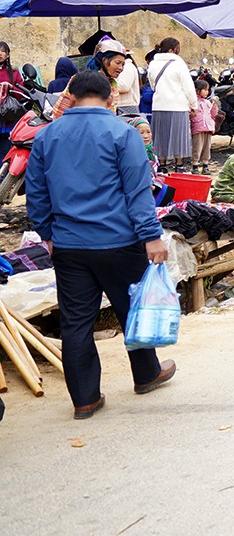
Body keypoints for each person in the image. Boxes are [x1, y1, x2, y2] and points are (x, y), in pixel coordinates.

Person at [26, 70, 174, 419]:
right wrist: (151, 236)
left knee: (75, 323)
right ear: (110, 97)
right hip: (119, 242)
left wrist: (47, 233)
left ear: (72, 97)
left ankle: (85, 399)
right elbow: (138, 192)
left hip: (68, 245)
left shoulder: (47, 137)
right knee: (130, 310)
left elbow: (36, 193)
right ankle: (147, 374)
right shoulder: (122, 133)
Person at [145, 38, 197, 172]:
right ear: (172, 50)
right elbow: (189, 87)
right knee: (178, 136)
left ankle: (162, 165)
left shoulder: (153, 64)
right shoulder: (179, 64)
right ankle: (179, 165)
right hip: (177, 106)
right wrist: (194, 105)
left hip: (159, 105)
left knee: (161, 136)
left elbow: (152, 85)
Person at [191, 80, 217, 175]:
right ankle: (195, 165)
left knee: (207, 147)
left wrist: (214, 105)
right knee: (197, 148)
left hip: (208, 128)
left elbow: (213, 114)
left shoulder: (207, 102)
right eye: (205, 90)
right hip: (198, 128)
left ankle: (205, 165)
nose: (207, 92)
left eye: (208, 90)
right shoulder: (193, 102)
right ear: (197, 91)